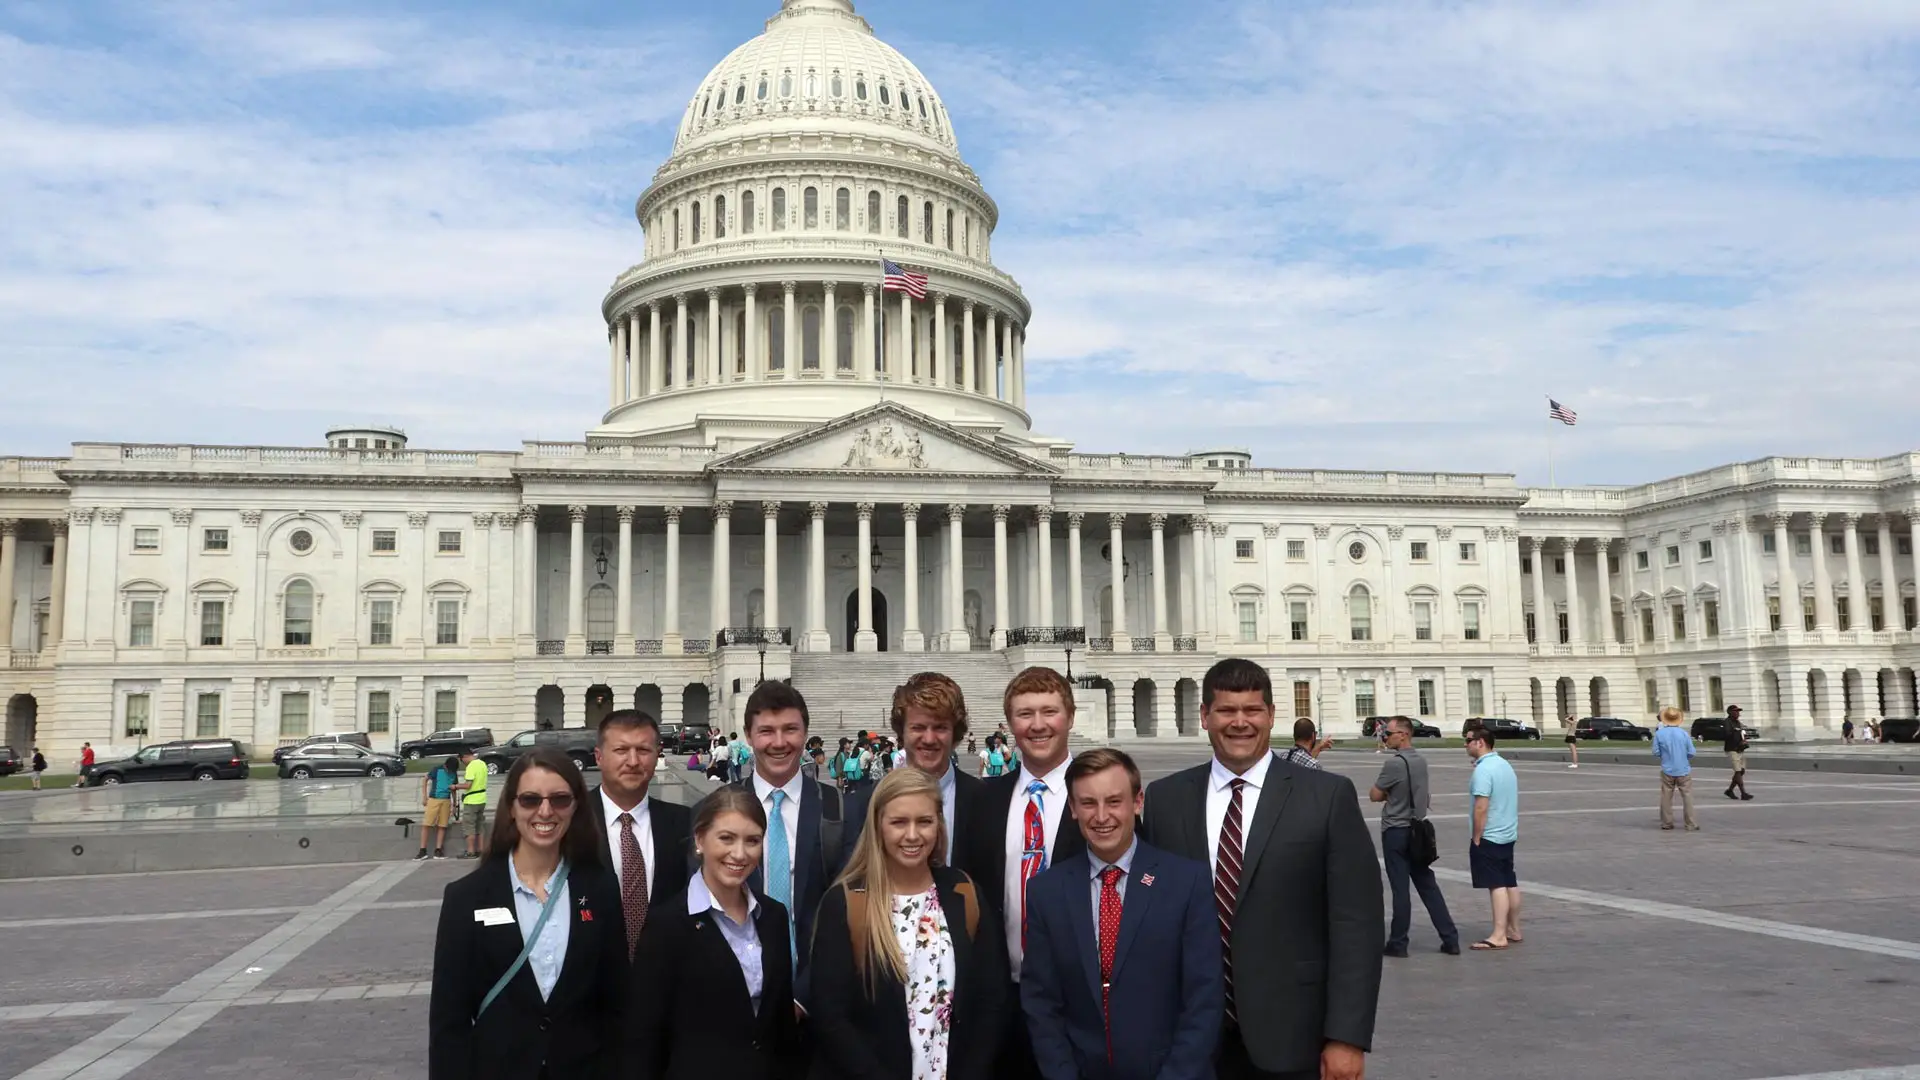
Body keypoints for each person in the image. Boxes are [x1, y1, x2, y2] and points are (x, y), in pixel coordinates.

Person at [1141, 658, 1382, 1080]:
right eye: (1226, 711)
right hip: (1190, 1040)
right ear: (1205, 716)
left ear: (1271, 715)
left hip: (1295, 1034)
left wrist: (1347, 1037)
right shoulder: (1166, 800)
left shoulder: (1325, 797)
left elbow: (1356, 924)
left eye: (1252, 710)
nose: (1240, 723)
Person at [1020, 748, 1221, 1080]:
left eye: (1114, 801)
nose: (1101, 816)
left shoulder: (1185, 882)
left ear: (1137, 802)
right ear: (1072, 808)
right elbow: (1041, 1003)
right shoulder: (1047, 891)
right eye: (1088, 803)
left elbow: (1204, 999)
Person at [428, 749, 626, 1080]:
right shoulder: (467, 897)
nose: (545, 811)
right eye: (531, 799)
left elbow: (618, 1002)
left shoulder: (601, 888)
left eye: (560, 799)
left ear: (576, 805)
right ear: (511, 807)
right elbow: (449, 1021)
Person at [810, 768, 1009, 1080]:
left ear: (939, 826)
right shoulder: (846, 902)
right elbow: (832, 1016)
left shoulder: (964, 892)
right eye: (899, 822)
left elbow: (991, 999)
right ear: (878, 826)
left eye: (924, 822)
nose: (913, 835)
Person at [958, 666, 1088, 1080]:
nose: (1037, 725)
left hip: (1081, 998)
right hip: (1001, 996)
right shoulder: (985, 801)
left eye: (1048, 712)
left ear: (1069, 716)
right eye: (1024, 714)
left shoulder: (1101, 798)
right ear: (1010, 722)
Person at [627, 786, 799, 1080]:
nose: (740, 854)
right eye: (726, 838)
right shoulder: (667, 926)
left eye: (752, 841)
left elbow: (781, 1022)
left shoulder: (773, 916)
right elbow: (646, 1037)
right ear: (699, 839)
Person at [729, 681, 844, 1009]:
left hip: (818, 997)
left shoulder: (836, 809)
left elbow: (846, 912)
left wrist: (803, 998)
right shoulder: (720, 810)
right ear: (749, 736)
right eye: (766, 731)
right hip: (739, 1002)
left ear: (805, 733)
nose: (779, 743)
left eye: (790, 730)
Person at [842, 672, 985, 868]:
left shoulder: (987, 801)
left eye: (940, 728)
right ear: (901, 731)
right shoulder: (860, 806)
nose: (929, 739)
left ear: (955, 732)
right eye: (918, 727)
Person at [584, 710, 693, 963]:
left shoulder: (685, 822)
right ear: (599, 757)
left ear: (657, 755)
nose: (633, 761)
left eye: (643, 750)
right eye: (621, 750)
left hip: (666, 982)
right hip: (591, 987)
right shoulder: (570, 820)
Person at [1370, 717, 1459, 957]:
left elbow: (1374, 795)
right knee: (1428, 885)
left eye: (1388, 734)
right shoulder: (1421, 761)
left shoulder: (1394, 764)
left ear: (1403, 734)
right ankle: (1450, 938)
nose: (1384, 738)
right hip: (1418, 830)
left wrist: (1389, 794)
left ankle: (1398, 943)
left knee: (1401, 889)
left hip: (1396, 831)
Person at [1464, 726, 1521, 951]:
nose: (1465, 744)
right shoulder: (1504, 764)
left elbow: (1481, 807)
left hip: (1490, 834)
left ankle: (1499, 934)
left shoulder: (1483, 770)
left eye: (1468, 740)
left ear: (1480, 742)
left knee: (1495, 884)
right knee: (1509, 881)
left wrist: (1477, 836)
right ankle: (1514, 929)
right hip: (1508, 832)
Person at [1653, 706, 1699, 831]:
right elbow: (1691, 752)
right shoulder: (1684, 734)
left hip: (1667, 768)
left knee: (1666, 797)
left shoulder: (1659, 734)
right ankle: (1690, 823)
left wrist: (1665, 756)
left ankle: (1666, 823)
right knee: (1687, 796)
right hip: (1683, 768)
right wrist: (1684, 757)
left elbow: (1656, 752)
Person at [416, 755, 456, 860]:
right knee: (427, 824)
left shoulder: (453, 772)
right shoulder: (436, 770)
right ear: (445, 766)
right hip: (434, 799)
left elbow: (454, 789)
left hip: (446, 800)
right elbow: (425, 779)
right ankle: (422, 850)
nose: (450, 772)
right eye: (449, 769)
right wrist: (424, 797)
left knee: (442, 825)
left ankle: (438, 850)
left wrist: (454, 804)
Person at [454, 748, 490, 859]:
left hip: (471, 800)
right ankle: (481, 850)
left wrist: (455, 786)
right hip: (482, 799)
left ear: (464, 756)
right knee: (479, 826)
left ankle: (470, 852)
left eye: (461, 760)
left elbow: (468, 785)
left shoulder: (471, 766)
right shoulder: (482, 764)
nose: (462, 763)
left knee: (469, 826)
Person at [1724, 705, 1753, 801]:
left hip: (1740, 749)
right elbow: (1727, 734)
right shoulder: (1727, 723)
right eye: (1735, 711)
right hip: (1732, 749)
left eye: (1738, 711)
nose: (1738, 713)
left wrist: (1744, 739)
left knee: (1741, 771)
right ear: (1730, 712)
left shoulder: (1738, 722)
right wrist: (1735, 732)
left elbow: (1742, 733)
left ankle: (1730, 790)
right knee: (1737, 771)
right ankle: (1743, 793)